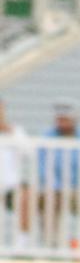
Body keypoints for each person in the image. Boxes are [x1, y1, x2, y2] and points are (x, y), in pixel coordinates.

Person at [34, 101, 80, 254]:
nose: (62, 123)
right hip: (55, 190)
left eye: (65, 119)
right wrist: (55, 189)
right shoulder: (46, 138)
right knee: (48, 202)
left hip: (79, 190)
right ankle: (51, 245)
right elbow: (43, 168)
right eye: (59, 119)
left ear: (74, 120)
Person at [0, 99, 31, 249]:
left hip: (10, 187)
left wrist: (8, 131)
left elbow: (28, 152)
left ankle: (22, 241)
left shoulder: (14, 131)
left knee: (26, 194)